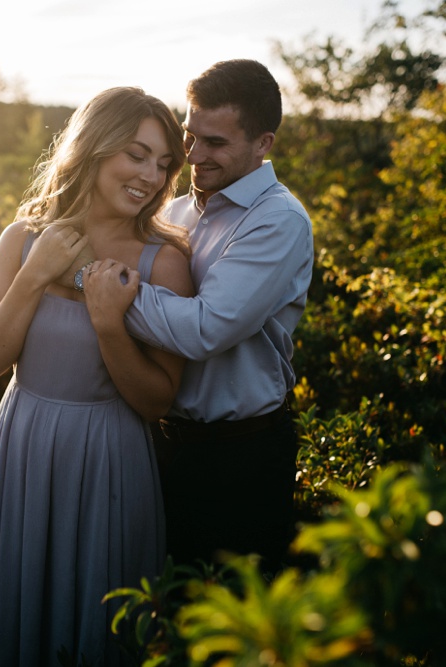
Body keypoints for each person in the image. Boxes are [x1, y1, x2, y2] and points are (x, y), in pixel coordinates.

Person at [0, 87, 193, 666]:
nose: (150, 177)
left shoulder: (165, 261)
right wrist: (35, 275)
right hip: (24, 446)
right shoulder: (23, 237)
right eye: (136, 154)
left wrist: (111, 324)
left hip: (108, 457)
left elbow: (158, 401)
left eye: (163, 164)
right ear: (94, 146)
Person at [87, 60, 314, 573]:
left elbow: (204, 329)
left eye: (215, 143)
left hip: (241, 458)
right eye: (189, 136)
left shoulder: (277, 221)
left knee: (231, 623)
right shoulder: (176, 211)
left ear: (263, 144)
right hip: (162, 446)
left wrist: (97, 285)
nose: (192, 155)